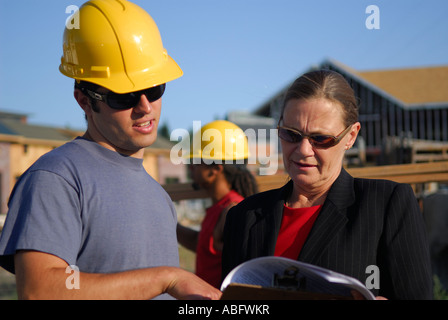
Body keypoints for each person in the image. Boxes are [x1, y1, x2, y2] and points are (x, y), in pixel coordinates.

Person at [0, 0, 221, 300]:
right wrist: (166, 279)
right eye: (124, 95)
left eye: (154, 88)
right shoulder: (56, 178)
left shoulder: (159, 197)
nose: (145, 106)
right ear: (84, 100)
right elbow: (39, 291)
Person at [221, 69, 433, 300]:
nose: (303, 150)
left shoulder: (386, 205)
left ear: (351, 136)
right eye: (291, 134)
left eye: (320, 139)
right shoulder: (244, 217)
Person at [177, 120, 258, 288]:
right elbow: (202, 245)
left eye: (196, 161)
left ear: (216, 168)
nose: (191, 168)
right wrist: (166, 223)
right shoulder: (221, 207)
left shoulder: (232, 211)